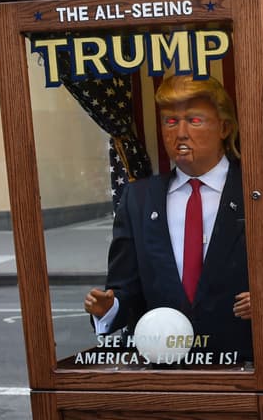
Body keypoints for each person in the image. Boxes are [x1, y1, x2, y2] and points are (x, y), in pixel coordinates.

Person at [83, 74, 253, 362]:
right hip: (163, 369)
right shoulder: (138, 199)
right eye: (170, 122)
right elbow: (126, 287)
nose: (180, 133)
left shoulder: (256, 189)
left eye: (194, 120)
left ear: (224, 127)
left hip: (247, 366)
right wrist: (109, 308)